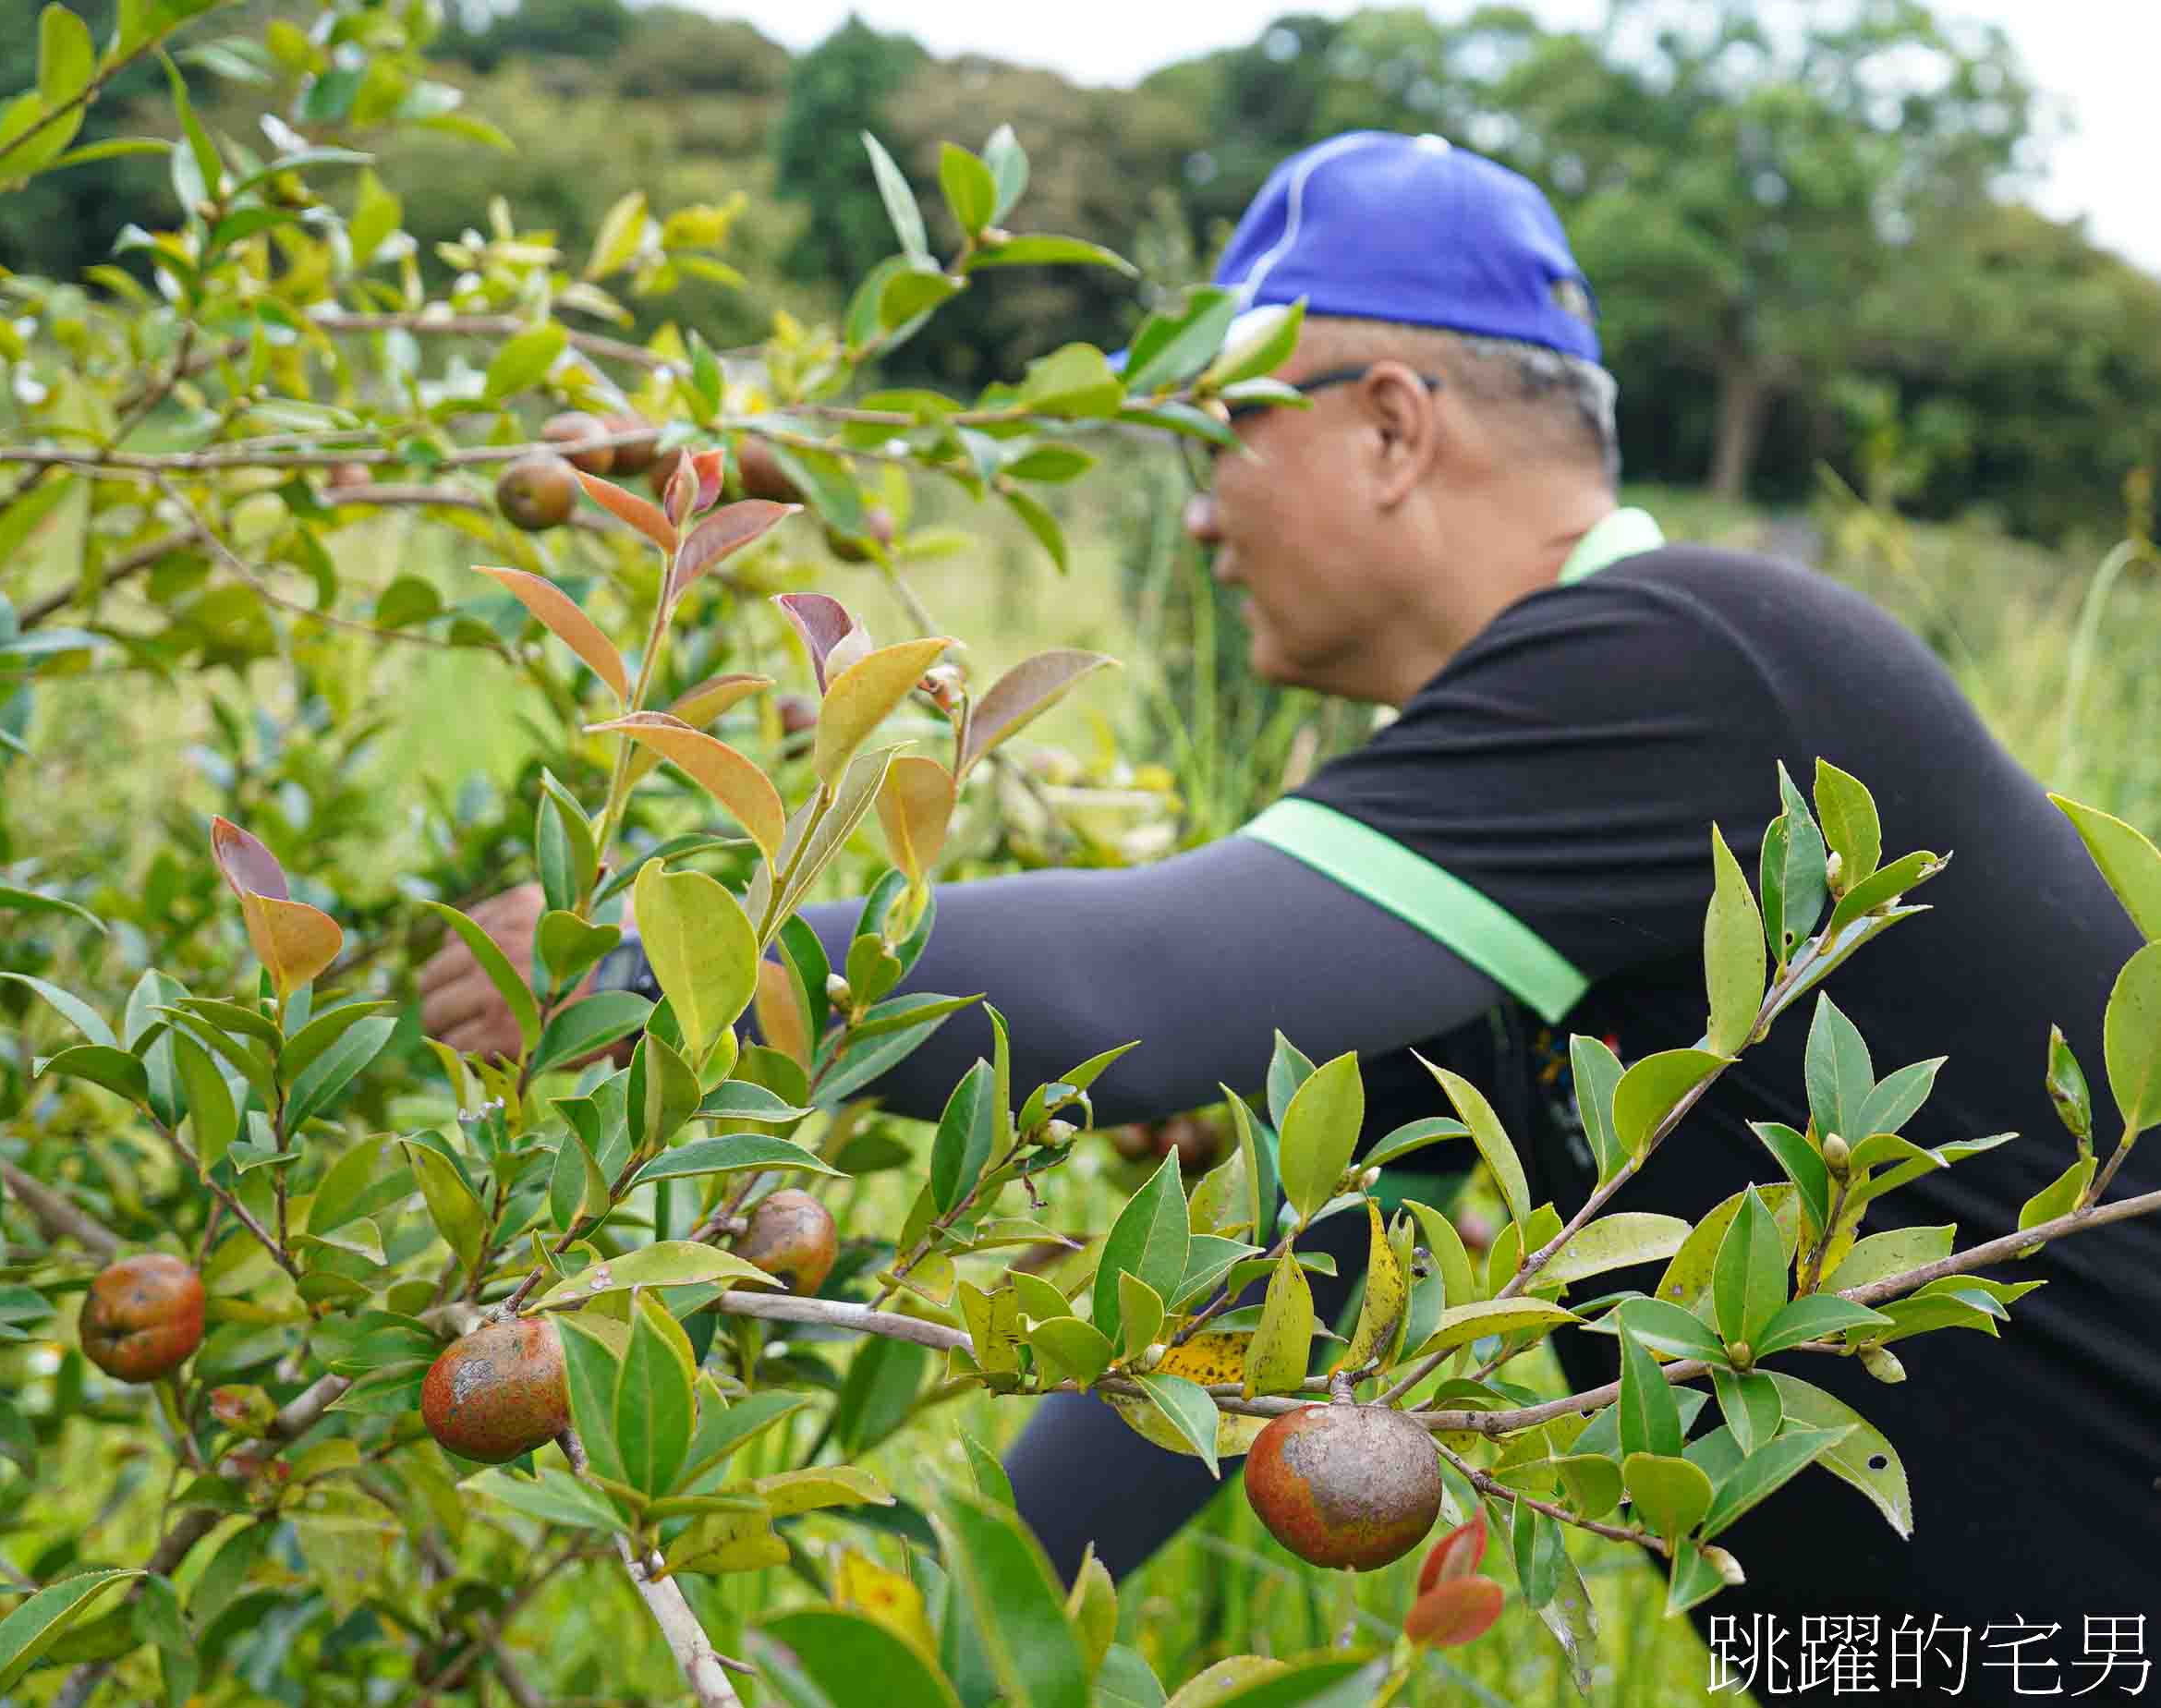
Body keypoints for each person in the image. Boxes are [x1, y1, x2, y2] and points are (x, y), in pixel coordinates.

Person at [421, 130, 2161, 1696]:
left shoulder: (1681, 658)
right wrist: (904, 1670)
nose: (1193, 509)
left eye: (1223, 432)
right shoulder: (1534, 833)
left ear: (1392, 425)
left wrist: (654, 962)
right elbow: (1278, 1278)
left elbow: (1144, 987)